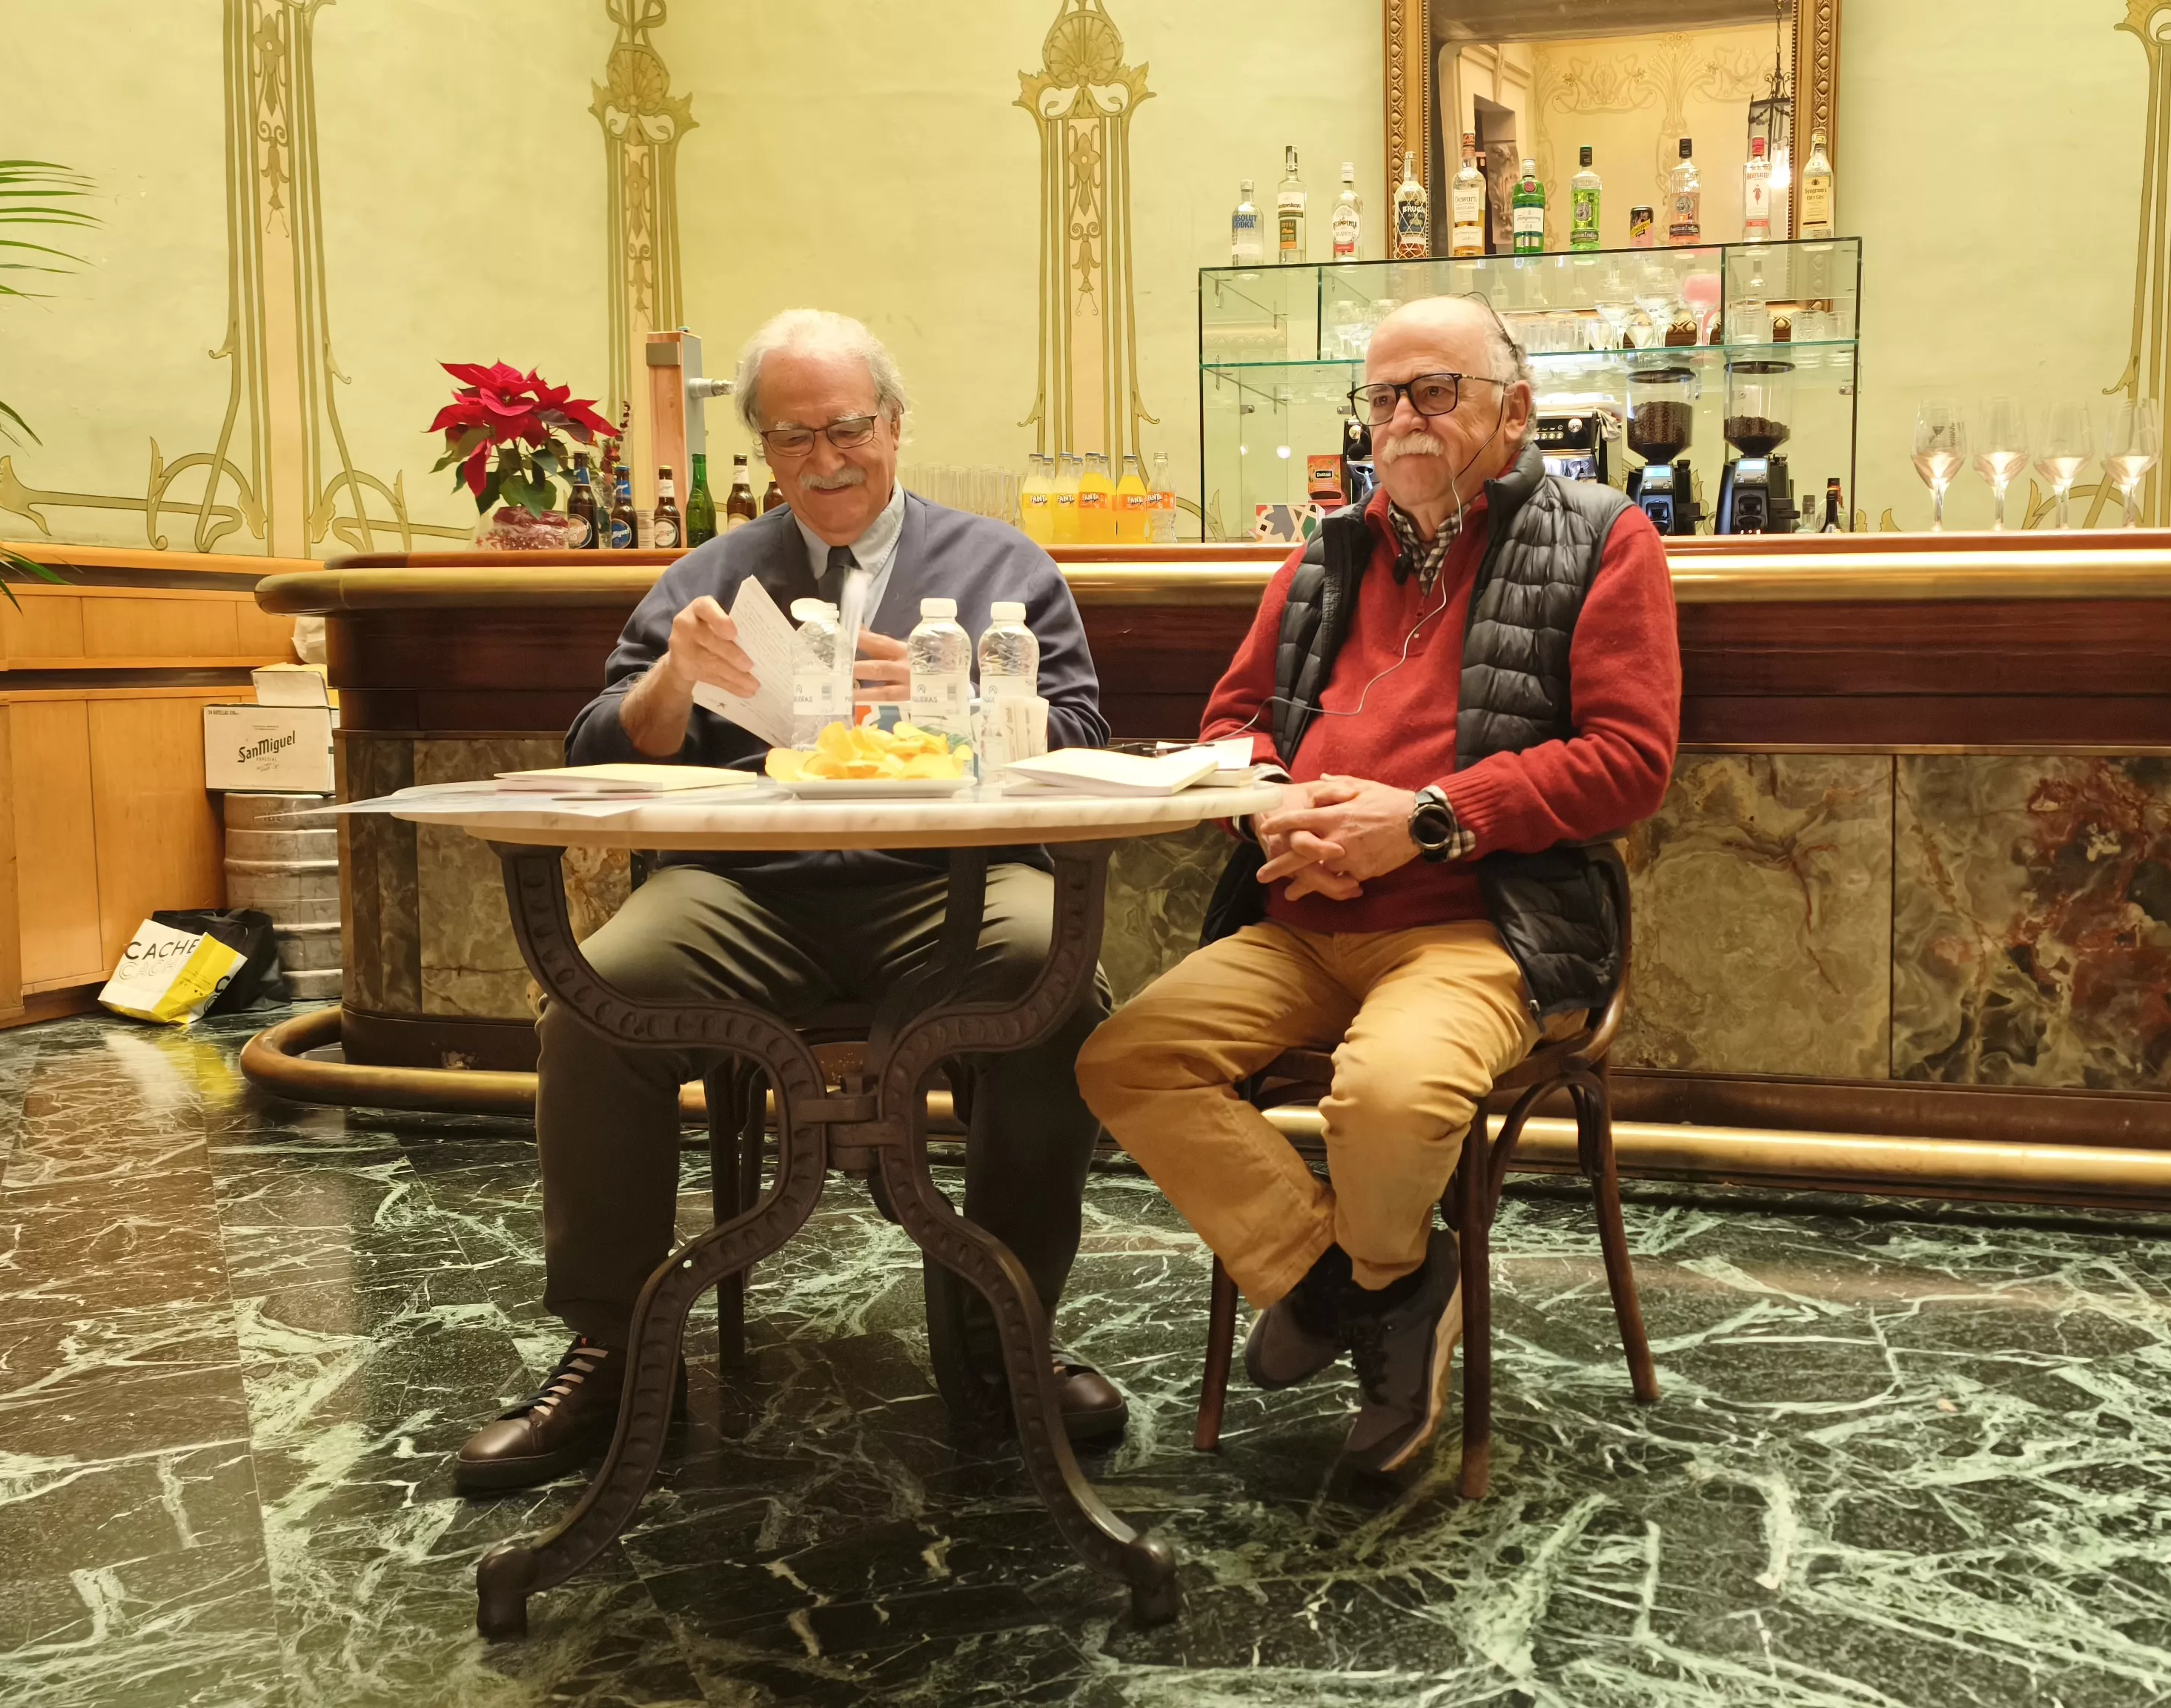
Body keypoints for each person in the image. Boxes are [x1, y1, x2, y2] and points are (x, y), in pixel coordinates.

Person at [456, 308, 1125, 1492]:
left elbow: (1080, 734)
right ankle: (612, 1352)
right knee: (593, 1003)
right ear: (762, 447)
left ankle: (1005, 1333)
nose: (825, 460)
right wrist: (674, 679)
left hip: (952, 886)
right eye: (793, 436)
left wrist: (963, 707)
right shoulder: (711, 577)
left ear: (896, 425)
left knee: (1055, 984)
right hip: (746, 891)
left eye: (848, 428)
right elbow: (596, 741)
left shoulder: (1001, 566)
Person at [1074, 296, 1680, 1476]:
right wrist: (1271, 805)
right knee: (1124, 1058)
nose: (1404, 418)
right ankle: (1384, 1291)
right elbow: (1233, 726)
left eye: (1436, 392)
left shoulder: (1604, 538)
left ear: (1515, 412)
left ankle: (1362, 1289)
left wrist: (1428, 821)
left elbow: (1629, 763)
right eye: (1385, 396)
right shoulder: (1326, 552)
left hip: (1484, 925)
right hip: (1302, 918)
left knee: (1389, 1096)